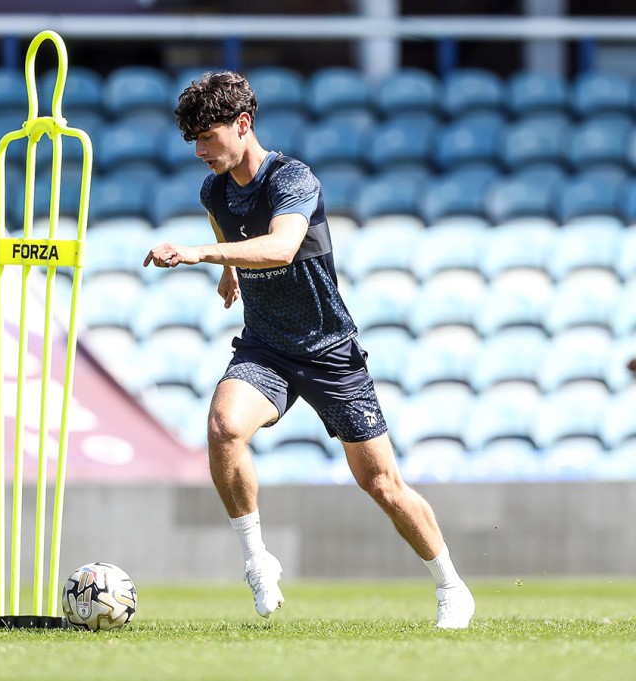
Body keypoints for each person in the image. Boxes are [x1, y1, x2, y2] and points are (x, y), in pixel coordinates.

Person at [143, 71, 476, 629]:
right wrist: (228, 269)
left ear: (243, 124)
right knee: (224, 428)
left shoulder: (293, 178)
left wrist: (203, 254)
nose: (199, 150)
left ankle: (451, 587)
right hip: (266, 347)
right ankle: (257, 559)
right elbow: (228, 227)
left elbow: (280, 246)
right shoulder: (214, 189)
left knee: (382, 485)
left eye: (208, 136)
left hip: (328, 348)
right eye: (192, 140)